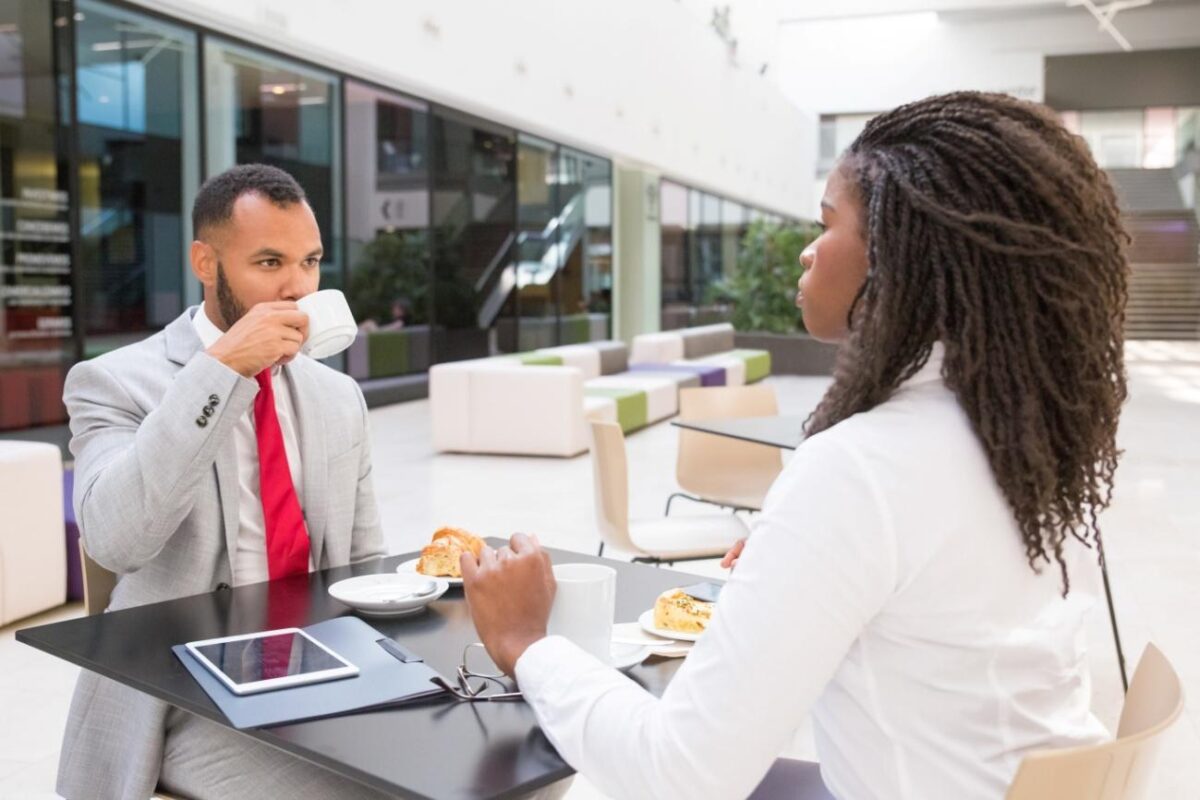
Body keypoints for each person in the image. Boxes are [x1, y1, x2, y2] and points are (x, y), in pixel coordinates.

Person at [459, 91, 1130, 799]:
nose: (809, 250)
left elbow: (680, 775)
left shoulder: (862, 469)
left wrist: (525, 644)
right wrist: (805, 565)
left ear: (899, 255)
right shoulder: (1020, 438)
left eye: (827, 224)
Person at [58, 164, 392, 800]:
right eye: (270, 263)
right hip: (184, 693)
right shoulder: (114, 383)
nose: (298, 287)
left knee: (529, 758)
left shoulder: (338, 396)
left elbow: (365, 562)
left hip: (326, 664)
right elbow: (114, 539)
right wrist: (222, 371)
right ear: (205, 263)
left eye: (311, 262)